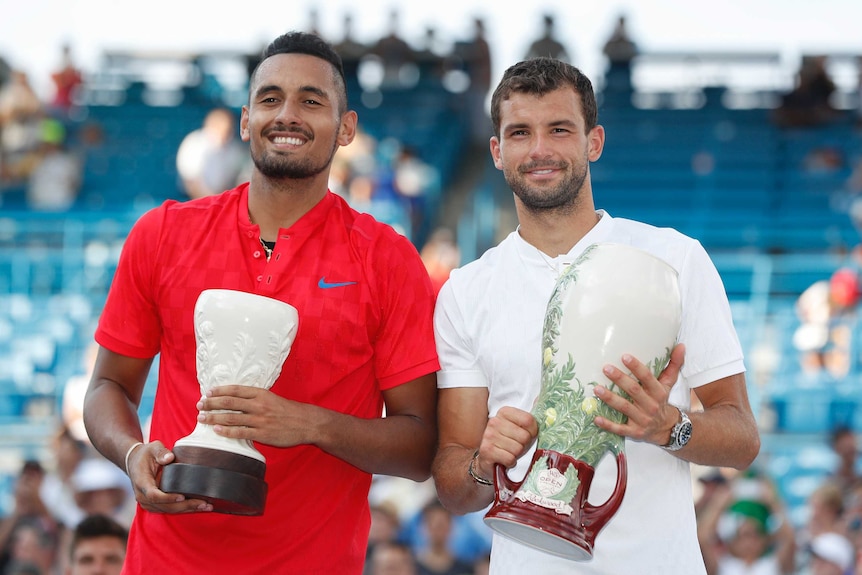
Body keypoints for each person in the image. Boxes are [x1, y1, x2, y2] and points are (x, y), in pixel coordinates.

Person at [82, 30, 439, 575]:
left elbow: (418, 446)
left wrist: (309, 424)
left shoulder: (387, 260)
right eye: (270, 99)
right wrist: (133, 454)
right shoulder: (162, 234)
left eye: (311, 101)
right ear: (246, 120)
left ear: (346, 129)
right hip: (164, 559)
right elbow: (108, 386)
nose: (287, 115)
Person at [431, 57, 760, 574]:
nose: (539, 150)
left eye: (559, 129)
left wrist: (667, 426)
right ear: (497, 151)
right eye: (520, 132)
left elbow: (742, 439)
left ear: (594, 141)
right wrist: (481, 462)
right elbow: (453, 485)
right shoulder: (465, 291)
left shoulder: (675, 260)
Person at [175, 107, 247, 200]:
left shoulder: (235, 149)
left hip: (223, 200)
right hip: (192, 200)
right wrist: (212, 201)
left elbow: (238, 180)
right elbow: (191, 183)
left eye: (227, 130)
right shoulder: (193, 143)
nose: (224, 134)